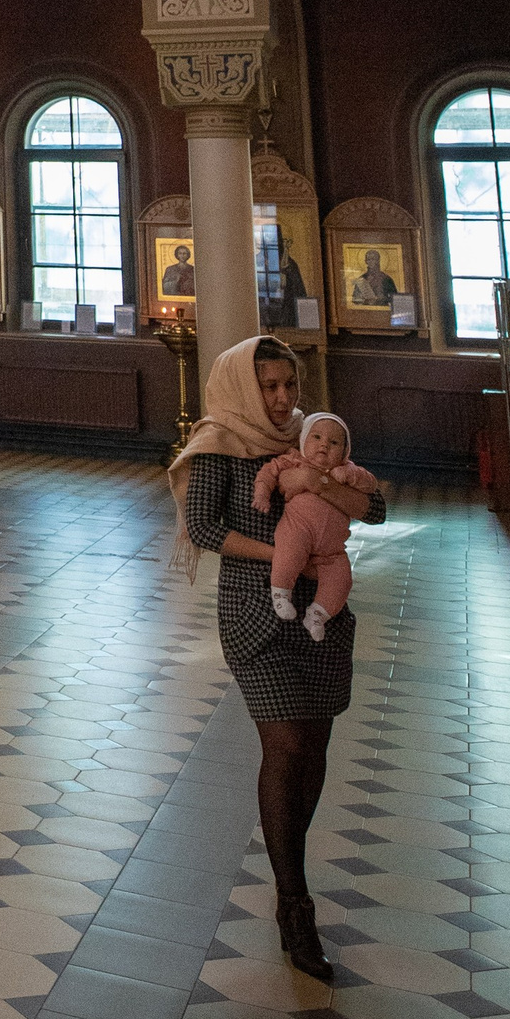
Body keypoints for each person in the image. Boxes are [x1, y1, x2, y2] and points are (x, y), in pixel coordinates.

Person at [172, 336, 385, 983]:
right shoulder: (220, 442)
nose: (283, 397)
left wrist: (320, 485)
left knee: (314, 748)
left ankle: (289, 868)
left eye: (289, 384)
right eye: (269, 385)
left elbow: (375, 506)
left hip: (320, 613)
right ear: (244, 384)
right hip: (254, 610)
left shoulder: (311, 436)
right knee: (287, 744)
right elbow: (204, 527)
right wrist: (283, 558)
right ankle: (296, 903)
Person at [254, 413, 377, 642]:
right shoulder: (295, 460)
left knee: (342, 579)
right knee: (289, 554)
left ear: (345, 451)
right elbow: (268, 472)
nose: (324, 445)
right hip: (298, 530)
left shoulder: (347, 469)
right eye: (317, 437)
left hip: (332, 550)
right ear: (303, 441)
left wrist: (349, 475)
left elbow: (371, 484)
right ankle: (281, 594)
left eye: (334, 442)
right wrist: (261, 493)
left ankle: (317, 614)